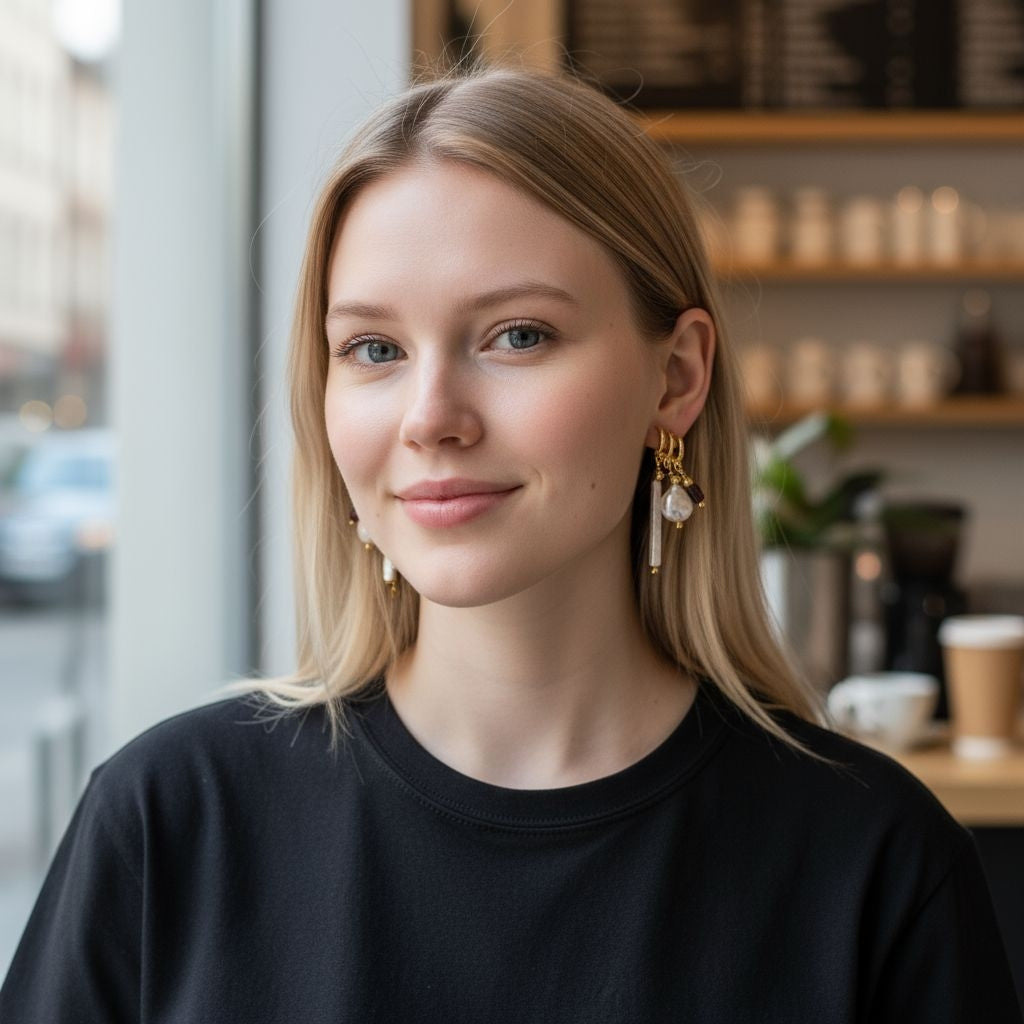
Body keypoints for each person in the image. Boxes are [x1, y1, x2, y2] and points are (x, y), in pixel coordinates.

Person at [1, 60, 1021, 1023]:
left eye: (517, 335)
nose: (430, 417)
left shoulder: (877, 865)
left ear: (675, 377)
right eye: (374, 349)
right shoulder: (168, 823)